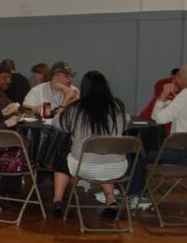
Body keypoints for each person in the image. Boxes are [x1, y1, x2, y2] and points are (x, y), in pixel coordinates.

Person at [49, 71, 129, 219]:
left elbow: (57, 123)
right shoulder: (117, 106)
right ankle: (110, 200)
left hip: (85, 167)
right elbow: (126, 122)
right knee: (105, 156)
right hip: (116, 167)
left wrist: (64, 102)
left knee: (62, 158)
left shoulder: (76, 109)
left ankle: (57, 201)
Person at [126, 63, 187, 206]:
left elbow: (158, 119)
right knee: (150, 153)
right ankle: (133, 193)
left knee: (140, 156)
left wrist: (162, 95)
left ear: (180, 78)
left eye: (176, 78)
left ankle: (135, 196)